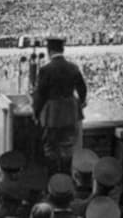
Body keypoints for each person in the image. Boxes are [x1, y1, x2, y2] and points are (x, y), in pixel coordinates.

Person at [32, 37, 87, 176]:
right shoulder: (73, 67)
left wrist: (36, 112)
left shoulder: (46, 70)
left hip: (53, 114)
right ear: (62, 50)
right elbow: (82, 89)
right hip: (70, 112)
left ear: (49, 51)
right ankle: (66, 181)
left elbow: (41, 95)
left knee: (51, 148)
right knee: (67, 148)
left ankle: (53, 182)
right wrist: (79, 103)